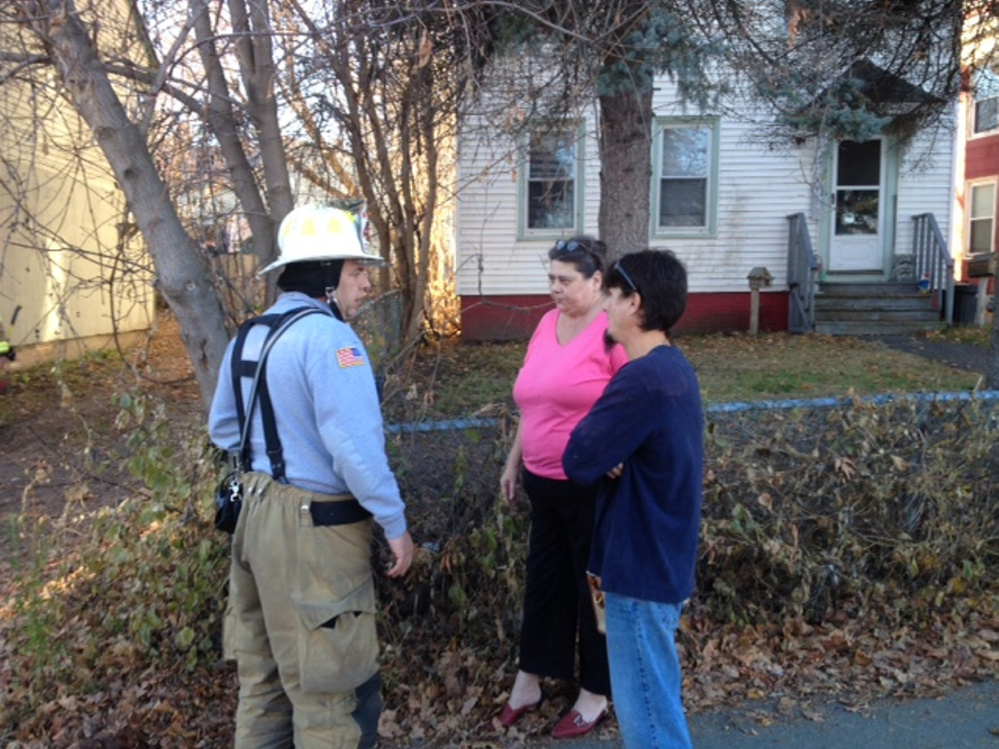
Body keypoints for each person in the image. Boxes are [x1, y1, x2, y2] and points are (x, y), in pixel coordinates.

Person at [208, 205, 414, 749]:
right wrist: (394, 522)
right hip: (315, 532)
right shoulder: (332, 342)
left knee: (264, 684)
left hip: (253, 519)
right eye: (356, 271)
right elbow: (356, 450)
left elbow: (224, 429)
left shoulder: (249, 335)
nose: (367, 284)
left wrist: (273, 460)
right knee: (328, 694)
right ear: (325, 278)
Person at [563, 249, 704, 749]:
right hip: (657, 563)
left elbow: (578, 457)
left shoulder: (643, 379)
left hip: (640, 572)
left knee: (650, 722)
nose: (603, 307)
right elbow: (607, 452)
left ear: (635, 303)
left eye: (613, 296)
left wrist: (605, 449)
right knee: (656, 703)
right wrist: (612, 449)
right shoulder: (673, 370)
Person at [498, 236, 628, 739]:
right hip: (541, 480)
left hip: (590, 487)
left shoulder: (612, 330)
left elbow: (636, 397)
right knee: (545, 583)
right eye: (550, 278)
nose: (554, 288)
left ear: (597, 281)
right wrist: (514, 462)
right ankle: (530, 678)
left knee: (592, 589)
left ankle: (596, 690)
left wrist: (617, 449)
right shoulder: (546, 323)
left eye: (565, 280)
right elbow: (532, 402)